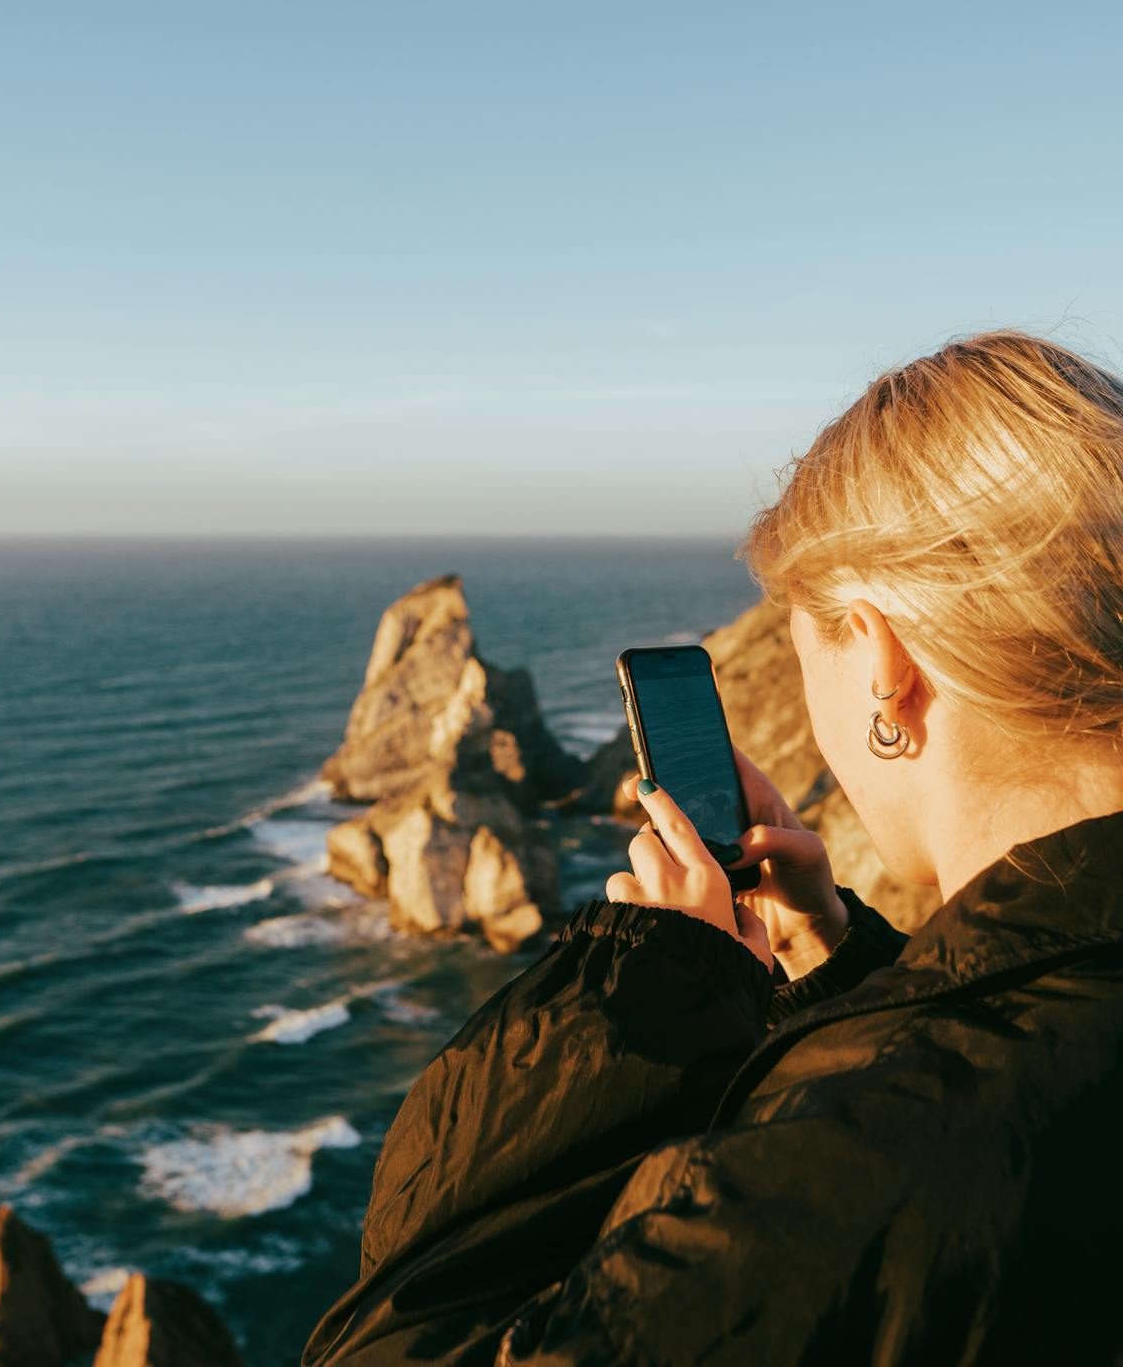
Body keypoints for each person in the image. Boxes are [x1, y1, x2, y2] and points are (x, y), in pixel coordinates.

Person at [301, 330, 1123, 1365]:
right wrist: (838, 964)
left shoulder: (832, 1184)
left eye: (802, 645)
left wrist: (638, 990)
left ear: (882, 663)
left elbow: (391, 1343)